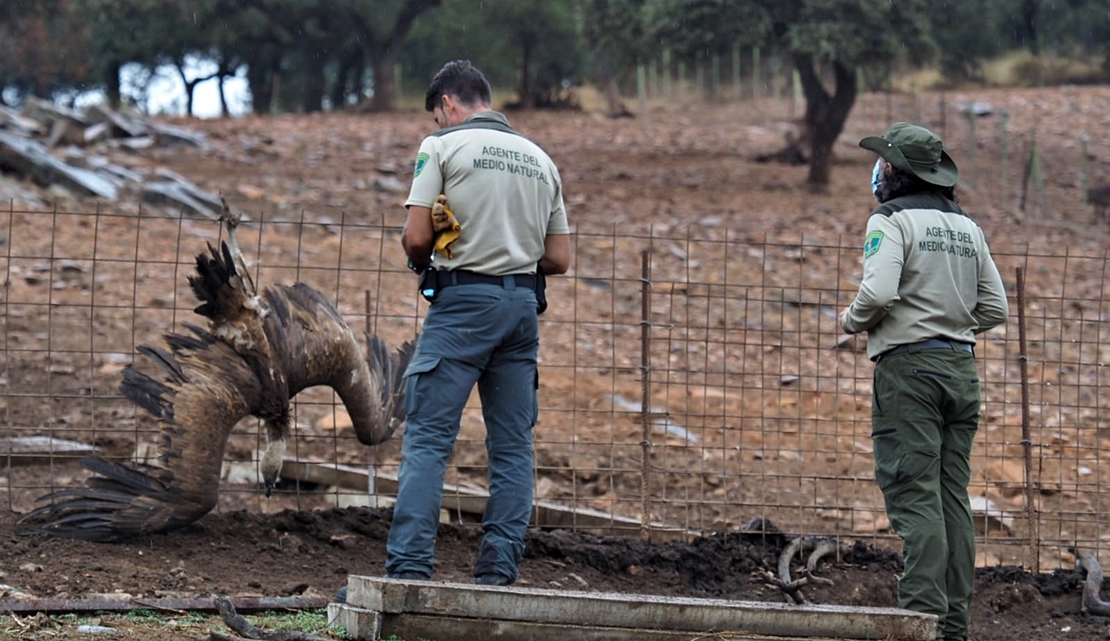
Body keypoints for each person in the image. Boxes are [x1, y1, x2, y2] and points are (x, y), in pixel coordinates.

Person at [388, 60, 571, 586]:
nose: (440, 123)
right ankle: (497, 571)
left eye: (439, 115)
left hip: (462, 307)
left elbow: (418, 238)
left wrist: (444, 252)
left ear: (447, 103)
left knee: (428, 440)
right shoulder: (541, 159)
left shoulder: (441, 146)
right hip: (521, 312)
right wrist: (509, 254)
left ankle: (409, 570)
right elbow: (558, 259)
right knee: (513, 445)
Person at [841, 122, 1008, 641]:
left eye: (883, 162)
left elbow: (877, 294)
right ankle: (953, 626)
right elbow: (995, 307)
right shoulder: (968, 227)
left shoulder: (889, 221)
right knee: (951, 497)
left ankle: (920, 622)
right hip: (961, 369)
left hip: (908, 374)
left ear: (892, 170)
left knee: (915, 497)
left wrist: (848, 322)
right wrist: (949, 322)